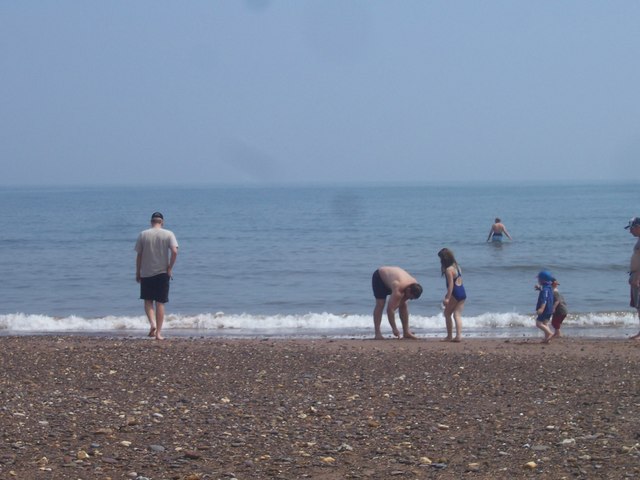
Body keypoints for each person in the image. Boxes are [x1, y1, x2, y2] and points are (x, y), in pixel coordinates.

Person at [135, 212, 179, 340]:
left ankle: (152, 324)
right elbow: (175, 251)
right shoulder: (168, 234)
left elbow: (139, 255)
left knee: (148, 301)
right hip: (162, 273)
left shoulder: (143, 234)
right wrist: (170, 267)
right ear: (162, 222)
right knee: (160, 303)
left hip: (146, 273)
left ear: (151, 222)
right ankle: (158, 333)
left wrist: (138, 272)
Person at [371, 266, 423, 340]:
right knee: (380, 304)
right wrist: (394, 328)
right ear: (408, 290)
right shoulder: (398, 287)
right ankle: (377, 333)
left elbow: (401, 303)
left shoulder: (414, 283)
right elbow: (390, 310)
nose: (410, 299)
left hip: (391, 279)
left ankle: (406, 332)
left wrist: (401, 302)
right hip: (380, 278)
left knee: (404, 305)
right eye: (410, 297)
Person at [438, 248, 466, 342]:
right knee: (457, 315)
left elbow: (451, 285)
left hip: (455, 293)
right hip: (462, 292)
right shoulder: (457, 267)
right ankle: (458, 336)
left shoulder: (448, 270)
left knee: (447, 313)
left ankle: (449, 336)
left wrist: (447, 298)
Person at [625, 217, 640, 340]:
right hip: (635, 274)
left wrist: (638, 277)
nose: (630, 231)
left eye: (631, 228)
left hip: (638, 276)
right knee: (637, 305)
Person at [535, 270, 555, 343]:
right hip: (549, 309)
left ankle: (550, 333)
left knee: (538, 323)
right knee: (545, 323)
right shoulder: (549, 288)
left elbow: (544, 299)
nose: (538, 280)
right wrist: (539, 289)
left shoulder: (545, 289)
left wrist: (541, 308)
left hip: (545, 309)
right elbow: (547, 294)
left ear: (542, 280)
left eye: (539, 279)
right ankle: (547, 339)